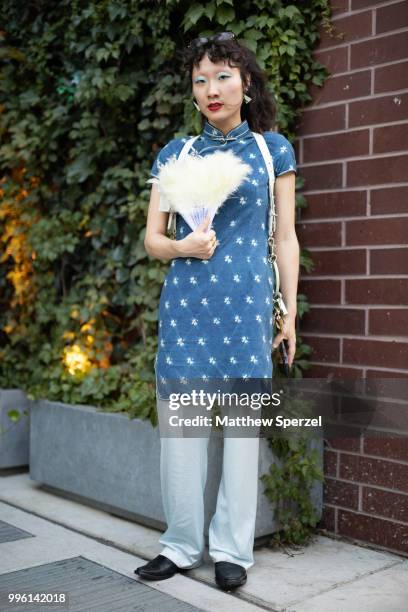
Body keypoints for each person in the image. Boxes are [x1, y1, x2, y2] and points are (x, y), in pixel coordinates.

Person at [135, 31, 299, 591]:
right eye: (200, 79)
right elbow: (153, 239)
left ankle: (233, 550)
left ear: (246, 84)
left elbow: (286, 238)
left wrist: (290, 311)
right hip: (186, 308)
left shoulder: (272, 149)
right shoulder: (174, 155)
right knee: (181, 432)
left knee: (239, 432)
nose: (211, 89)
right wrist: (183, 246)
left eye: (223, 76)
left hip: (247, 306)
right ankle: (180, 546)